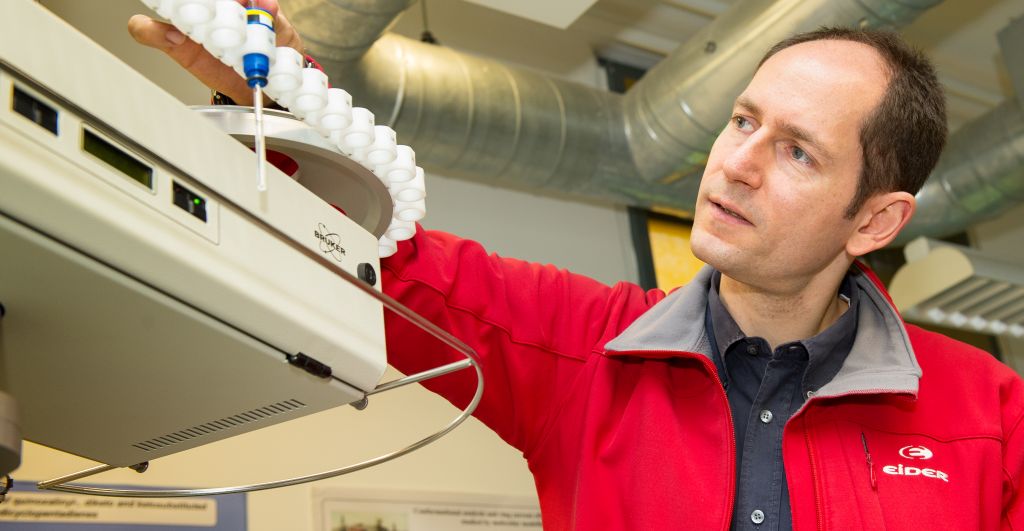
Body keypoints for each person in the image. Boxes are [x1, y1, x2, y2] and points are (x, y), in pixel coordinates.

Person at [132, 3, 1024, 529]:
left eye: (796, 151)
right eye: (743, 121)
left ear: (875, 219)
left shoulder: (992, 412)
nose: (736, 164)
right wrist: (277, 100)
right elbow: (379, 263)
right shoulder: (583, 347)